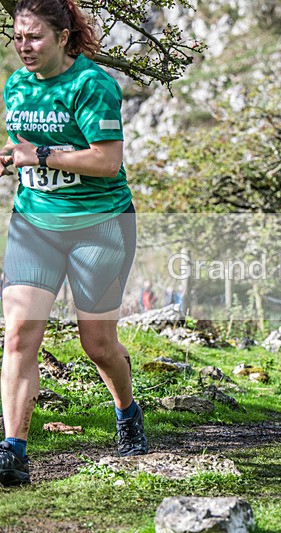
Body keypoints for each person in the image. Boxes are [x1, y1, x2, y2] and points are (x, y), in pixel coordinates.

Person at [0, 0, 148, 487]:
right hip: (34, 225)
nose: (24, 46)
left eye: (34, 37)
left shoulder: (93, 84)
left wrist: (39, 153)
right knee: (20, 335)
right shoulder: (17, 86)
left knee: (98, 344)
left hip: (99, 226)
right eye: (18, 37)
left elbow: (106, 162)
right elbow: (28, 154)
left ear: (63, 37)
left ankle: (127, 412)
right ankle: (14, 452)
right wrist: (14, 160)